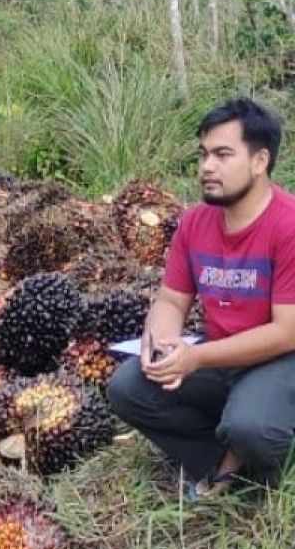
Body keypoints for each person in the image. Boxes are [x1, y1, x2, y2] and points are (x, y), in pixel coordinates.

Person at [108, 98, 295, 499]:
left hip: (279, 360)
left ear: (260, 161)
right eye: (204, 154)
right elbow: (171, 301)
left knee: (252, 426)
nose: (207, 167)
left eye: (223, 155)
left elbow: (287, 332)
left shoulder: (288, 226)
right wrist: (161, 346)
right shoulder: (195, 223)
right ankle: (223, 460)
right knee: (128, 387)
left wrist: (197, 358)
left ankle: (258, 451)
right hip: (221, 358)